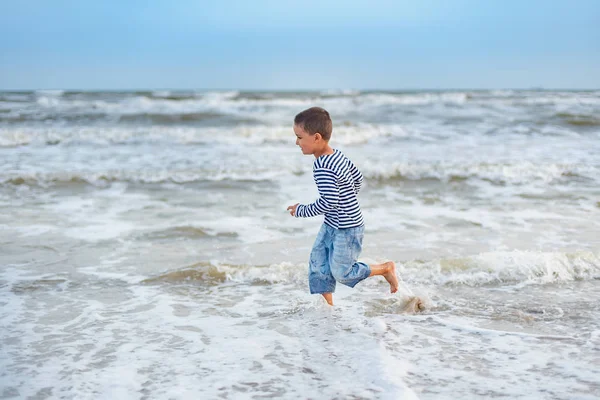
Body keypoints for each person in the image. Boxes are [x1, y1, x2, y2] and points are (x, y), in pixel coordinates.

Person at [287, 107, 399, 306]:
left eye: (299, 137)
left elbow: (329, 202)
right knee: (318, 263)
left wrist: (301, 210)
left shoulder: (322, 167)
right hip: (334, 223)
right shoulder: (337, 155)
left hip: (347, 228)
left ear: (317, 137)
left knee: (343, 272)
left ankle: (385, 269)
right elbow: (358, 178)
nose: (296, 142)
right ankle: (327, 309)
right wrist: (348, 198)